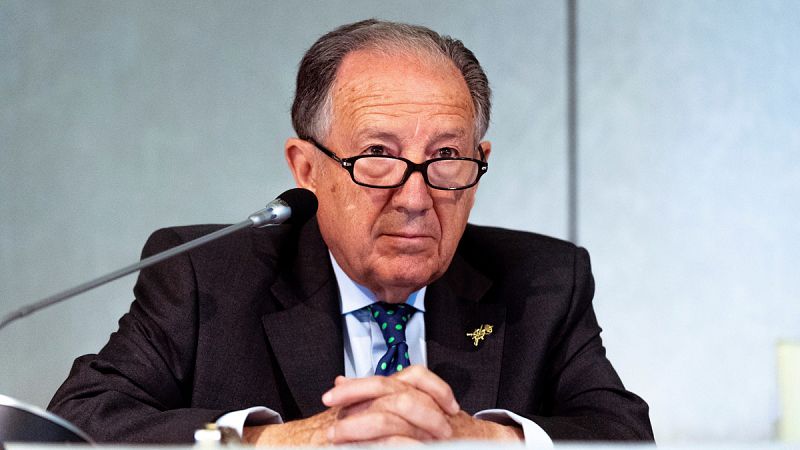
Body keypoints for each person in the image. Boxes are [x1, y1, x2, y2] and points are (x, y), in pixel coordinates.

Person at [48, 19, 654, 446]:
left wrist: (480, 439)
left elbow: (622, 435)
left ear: (480, 161)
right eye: (377, 156)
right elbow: (77, 423)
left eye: (447, 156)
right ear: (306, 168)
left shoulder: (542, 283)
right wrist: (273, 442)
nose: (415, 198)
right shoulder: (207, 277)